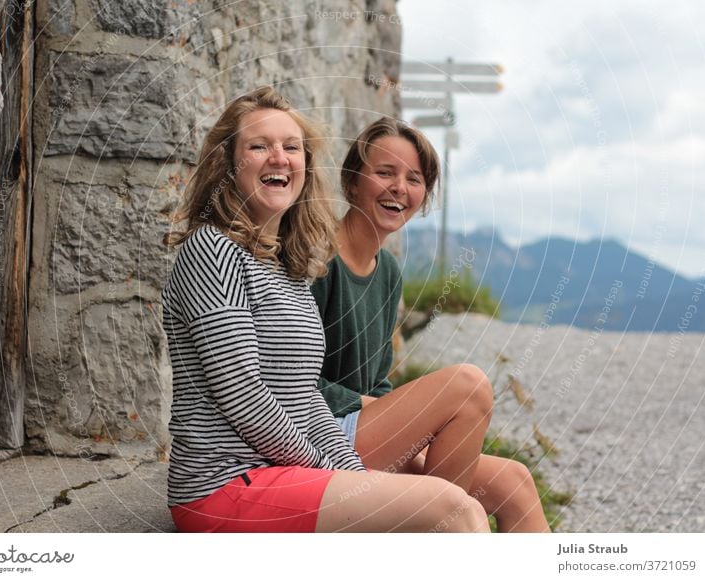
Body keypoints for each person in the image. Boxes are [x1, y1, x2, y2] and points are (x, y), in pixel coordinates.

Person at [161, 87, 490, 533]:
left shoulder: (285, 267)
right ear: (228, 164)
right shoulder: (212, 250)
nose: (279, 157)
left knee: (450, 505)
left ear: (305, 166)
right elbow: (241, 394)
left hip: (284, 473)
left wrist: (350, 471)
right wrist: (329, 470)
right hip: (225, 485)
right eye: (259, 146)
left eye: (291, 147)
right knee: (453, 508)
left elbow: (305, 398)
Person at [312, 117, 550, 532]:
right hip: (318, 433)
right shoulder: (317, 261)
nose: (399, 188)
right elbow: (287, 379)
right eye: (384, 172)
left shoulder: (386, 270)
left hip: (365, 430)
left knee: (515, 481)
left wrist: (407, 432)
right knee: (468, 386)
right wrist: (375, 410)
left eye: (414, 179)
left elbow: (378, 380)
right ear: (351, 183)